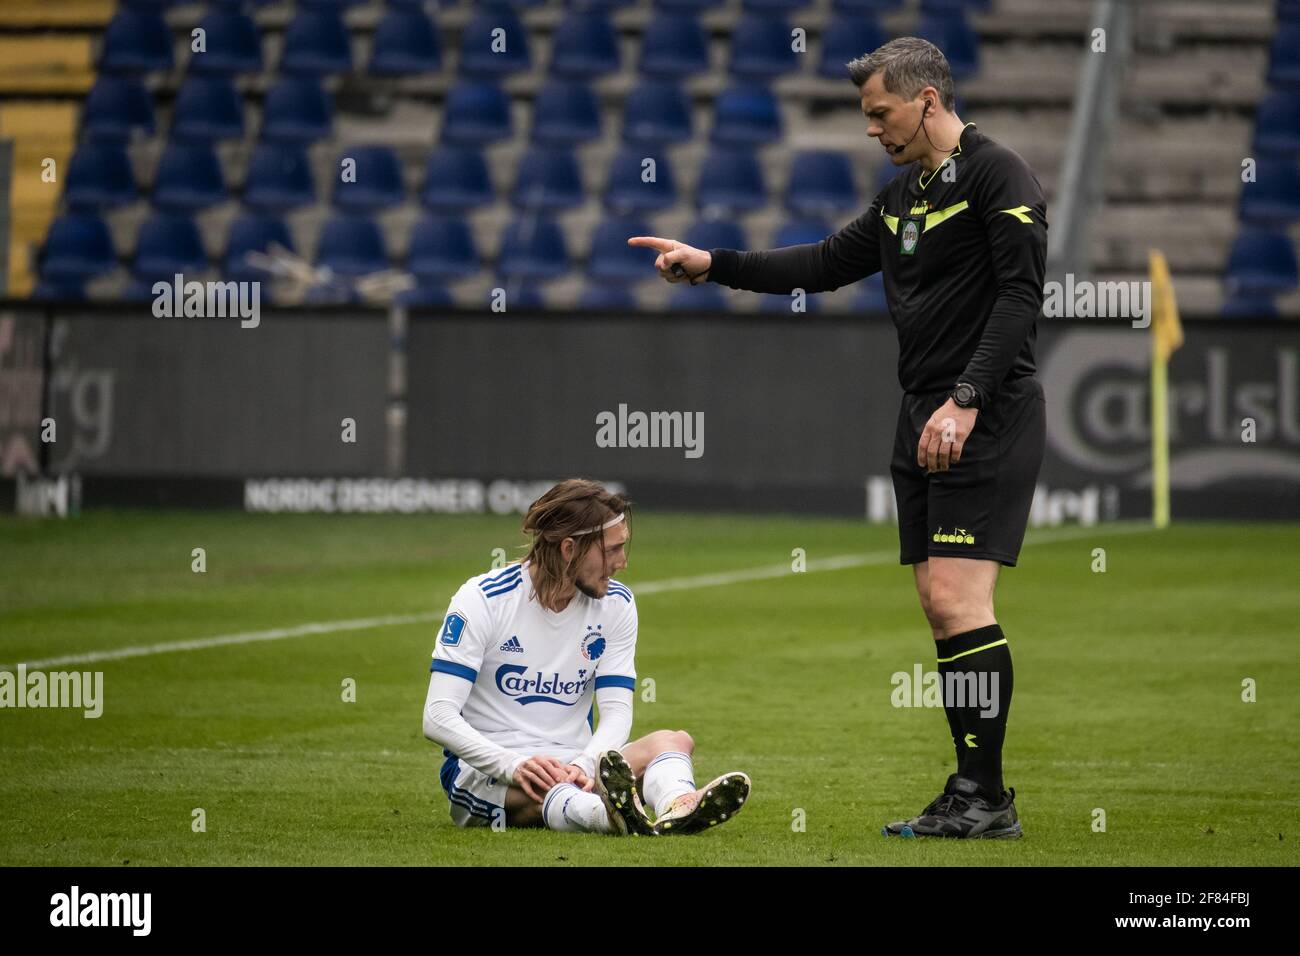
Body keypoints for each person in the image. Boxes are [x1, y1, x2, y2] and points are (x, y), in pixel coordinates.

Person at [628, 37, 1047, 839]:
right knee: (939, 603)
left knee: (961, 600)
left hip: (981, 416)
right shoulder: (903, 198)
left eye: (878, 111)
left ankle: (983, 796)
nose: (870, 128)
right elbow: (821, 263)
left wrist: (965, 399)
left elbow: (1022, 296)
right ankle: (976, 791)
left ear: (927, 101)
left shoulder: (1000, 175)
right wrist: (712, 263)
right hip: (923, 413)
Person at [423, 478, 751, 835]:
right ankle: (608, 815)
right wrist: (514, 765)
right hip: (490, 773)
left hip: (579, 766)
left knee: (673, 741)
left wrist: (583, 764)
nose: (622, 562)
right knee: (558, 790)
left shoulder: (617, 604)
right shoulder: (483, 600)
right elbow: (437, 717)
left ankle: (678, 806)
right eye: (612, 550)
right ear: (569, 549)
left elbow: (617, 712)